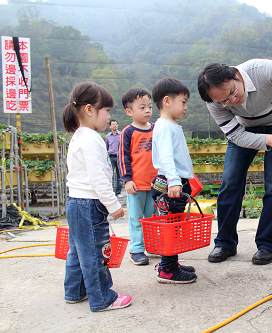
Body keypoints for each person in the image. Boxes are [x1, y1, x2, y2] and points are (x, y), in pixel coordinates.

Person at [198, 59, 272, 265]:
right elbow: (235, 135)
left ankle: (267, 245)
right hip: (244, 131)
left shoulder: (261, 70)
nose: (231, 102)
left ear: (235, 76)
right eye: (224, 102)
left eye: (232, 93)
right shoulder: (213, 101)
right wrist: (265, 140)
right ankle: (225, 243)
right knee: (230, 183)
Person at [62, 81, 130, 312]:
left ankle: (74, 291)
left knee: (78, 250)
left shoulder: (78, 136)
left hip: (75, 203)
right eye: (107, 111)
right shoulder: (91, 139)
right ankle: (102, 298)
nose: (109, 116)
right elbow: (98, 178)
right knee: (95, 253)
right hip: (90, 205)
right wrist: (113, 205)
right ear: (90, 110)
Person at [150, 77, 197, 284]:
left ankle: (171, 263)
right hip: (170, 184)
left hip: (173, 182)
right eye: (183, 102)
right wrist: (175, 181)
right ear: (167, 101)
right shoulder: (164, 126)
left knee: (174, 225)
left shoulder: (170, 125)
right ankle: (167, 270)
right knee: (171, 226)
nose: (186, 107)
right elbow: (167, 157)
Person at [118, 88, 158, 266]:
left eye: (149, 106)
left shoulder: (157, 129)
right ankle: (136, 250)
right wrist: (127, 180)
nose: (147, 110)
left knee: (152, 218)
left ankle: (151, 246)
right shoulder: (128, 132)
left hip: (156, 184)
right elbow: (123, 157)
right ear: (129, 112)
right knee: (136, 218)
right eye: (142, 107)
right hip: (136, 185)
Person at [105, 119, 123, 198]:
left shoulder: (121, 135)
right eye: (113, 124)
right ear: (110, 126)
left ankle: (118, 192)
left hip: (119, 157)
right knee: (110, 175)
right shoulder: (108, 136)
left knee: (120, 177)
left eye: (116, 124)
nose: (115, 125)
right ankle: (111, 192)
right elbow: (106, 147)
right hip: (111, 157)